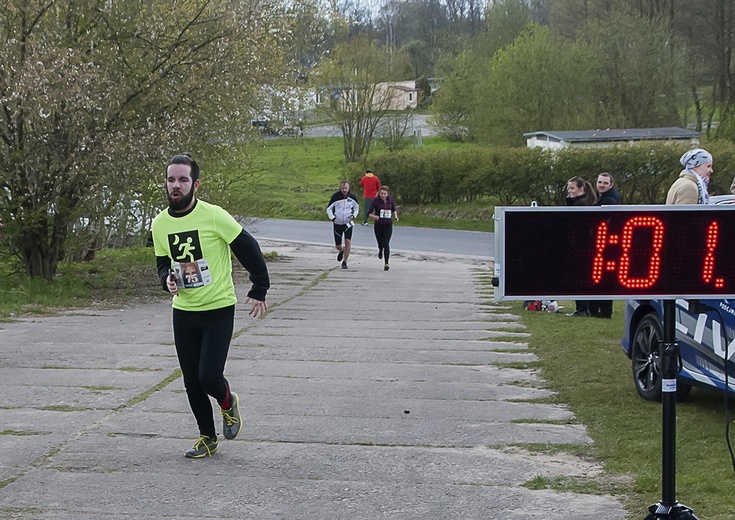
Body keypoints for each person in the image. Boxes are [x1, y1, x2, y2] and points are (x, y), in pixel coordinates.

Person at [151, 153, 270, 459]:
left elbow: (248, 246)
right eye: (171, 179)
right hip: (184, 311)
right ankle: (207, 437)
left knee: (208, 377)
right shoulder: (160, 224)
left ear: (196, 184)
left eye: (183, 180)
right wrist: (167, 279)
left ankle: (228, 401)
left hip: (218, 308)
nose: (175, 186)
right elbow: (163, 262)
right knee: (191, 382)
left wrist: (260, 286)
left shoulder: (214, 215)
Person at [589, 172, 622, 318]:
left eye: (605, 183)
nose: (601, 185)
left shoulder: (609, 200)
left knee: (604, 277)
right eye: (600, 182)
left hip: (606, 243)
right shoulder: (603, 197)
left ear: (611, 185)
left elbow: (609, 221)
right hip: (604, 242)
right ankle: (597, 309)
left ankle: (603, 311)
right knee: (600, 277)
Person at [565, 176, 595, 317]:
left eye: (572, 188)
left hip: (580, 246)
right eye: (568, 188)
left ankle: (582, 308)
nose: (569, 191)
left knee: (579, 277)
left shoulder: (580, 205)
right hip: (582, 245)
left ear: (581, 189)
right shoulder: (580, 203)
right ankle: (584, 308)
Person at [327, 180, 359, 269]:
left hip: (348, 223)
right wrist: (332, 218)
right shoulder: (335, 197)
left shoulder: (352, 197)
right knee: (338, 245)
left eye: (346, 188)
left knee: (348, 241)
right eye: (342, 188)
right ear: (340, 188)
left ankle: (344, 262)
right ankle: (341, 250)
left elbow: (356, 208)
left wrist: (354, 215)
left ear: (348, 188)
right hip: (338, 223)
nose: (344, 190)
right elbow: (329, 209)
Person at [368, 185, 399, 270]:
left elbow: (394, 209)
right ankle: (380, 249)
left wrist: (396, 217)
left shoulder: (390, 200)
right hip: (378, 225)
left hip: (388, 225)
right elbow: (369, 213)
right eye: (381, 193)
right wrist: (374, 217)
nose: (383, 195)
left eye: (385, 194)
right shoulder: (376, 200)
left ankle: (386, 263)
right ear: (379, 193)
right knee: (380, 243)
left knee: (386, 243)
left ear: (387, 194)